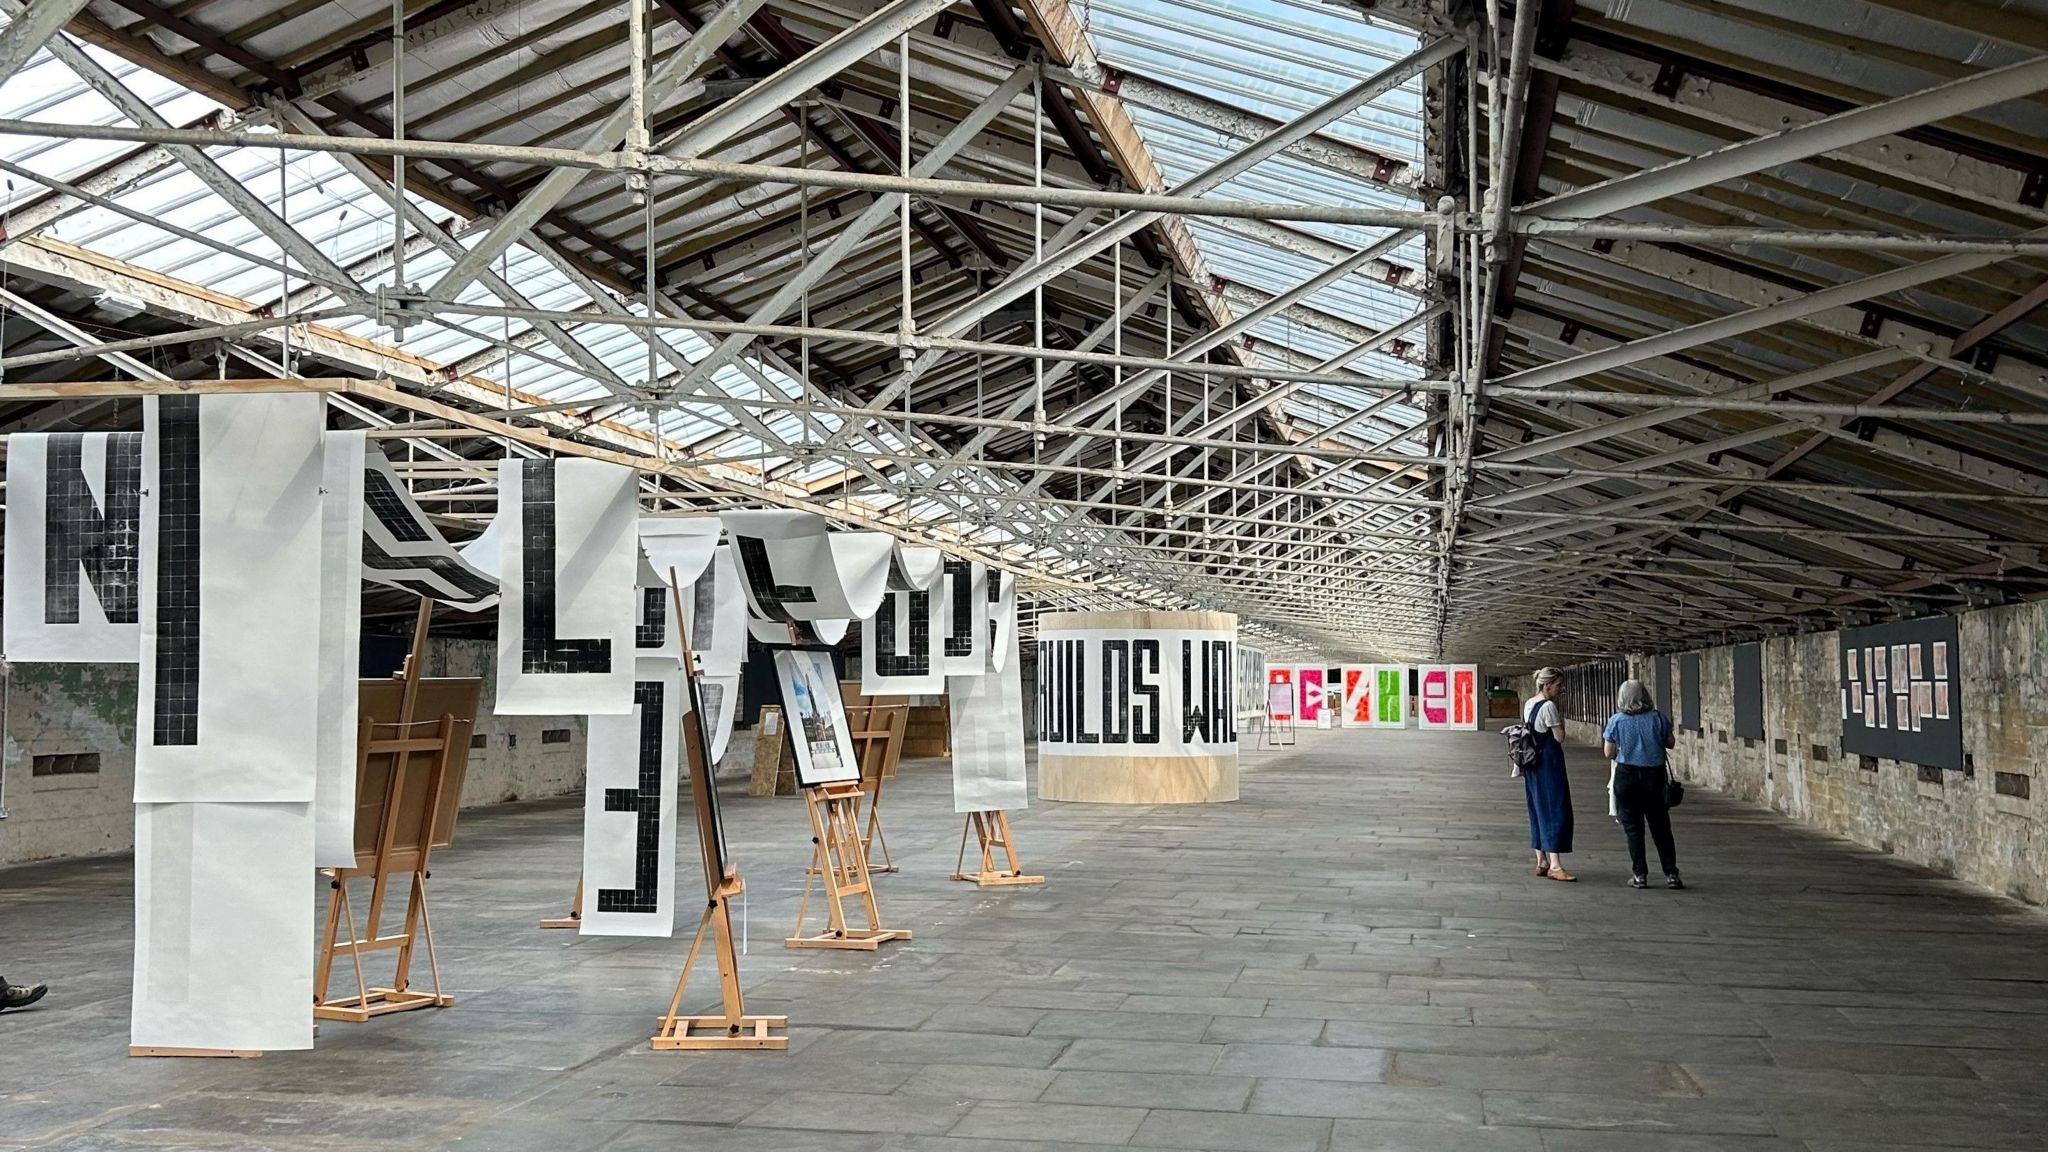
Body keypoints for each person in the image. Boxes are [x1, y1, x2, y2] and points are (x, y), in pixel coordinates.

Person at [1602, 679, 1683, 890]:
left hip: (1627, 776)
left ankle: (1639, 874)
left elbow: (1609, 752)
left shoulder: (1616, 721)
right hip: (1654, 777)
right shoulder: (1658, 717)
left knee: (1633, 828)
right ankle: (1671, 873)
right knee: (1661, 827)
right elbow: (1670, 743)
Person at [1523, 668, 1575, 881]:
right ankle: (1555, 865)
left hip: (1532, 764)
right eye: (1558, 685)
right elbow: (1560, 736)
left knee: (1536, 807)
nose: (1561, 689)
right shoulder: (1549, 706)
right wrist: (1560, 721)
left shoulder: (1528, 704)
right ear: (1547, 685)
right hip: (1550, 765)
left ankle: (1541, 860)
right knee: (1555, 809)